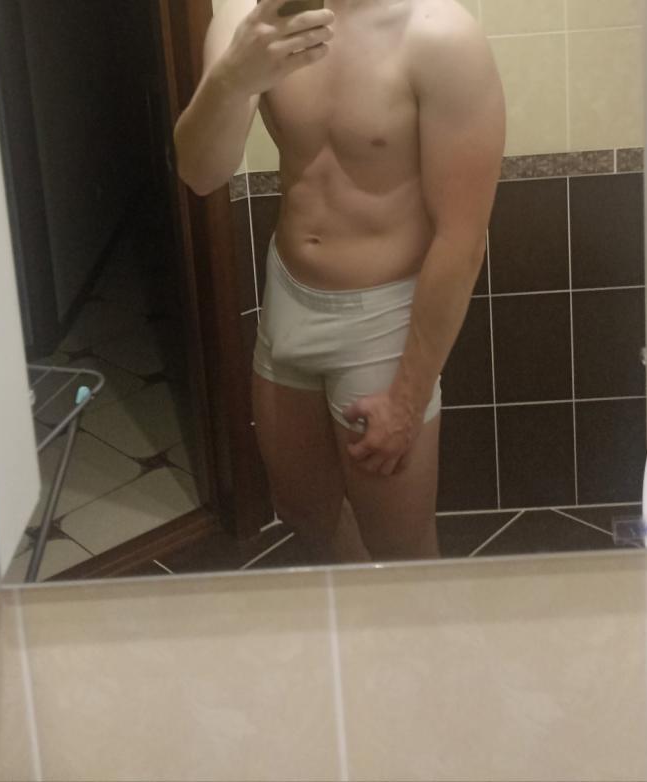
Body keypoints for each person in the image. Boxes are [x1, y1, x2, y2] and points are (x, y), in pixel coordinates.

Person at [173, 0, 505, 563]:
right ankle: (355, 616)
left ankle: (403, 621)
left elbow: (462, 239)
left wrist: (408, 398)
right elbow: (200, 173)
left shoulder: (441, 36)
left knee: (399, 545)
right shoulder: (249, 16)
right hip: (288, 297)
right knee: (303, 512)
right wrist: (232, 77)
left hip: (382, 319)